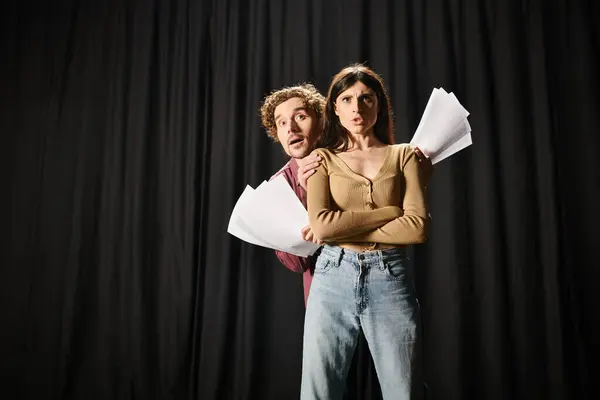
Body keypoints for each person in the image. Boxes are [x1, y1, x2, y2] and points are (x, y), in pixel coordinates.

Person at [302, 64, 429, 399]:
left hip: (389, 275)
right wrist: (390, 212)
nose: (356, 108)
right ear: (335, 108)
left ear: (379, 104)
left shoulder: (404, 156)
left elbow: (416, 229)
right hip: (332, 276)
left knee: (405, 390)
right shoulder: (322, 159)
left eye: (365, 98)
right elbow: (322, 227)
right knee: (318, 390)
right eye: (346, 99)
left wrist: (344, 226)